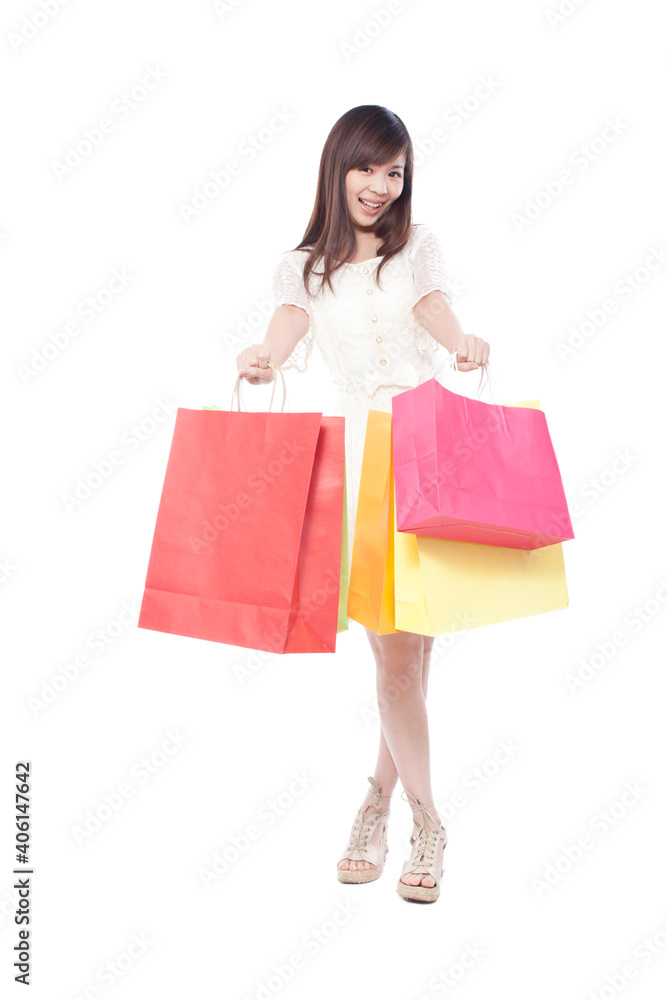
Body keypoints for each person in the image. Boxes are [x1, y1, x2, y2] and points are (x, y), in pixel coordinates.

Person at [236, 105, 490, 903]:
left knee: (410, 658)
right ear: (337, 166)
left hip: (430, 452)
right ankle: (426, 822)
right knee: (391, 658)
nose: (380, 187)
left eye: (395, 172)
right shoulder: (303, 267)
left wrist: (459, 341)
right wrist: (260, 359)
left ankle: (374, 804)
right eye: (367, 168)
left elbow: (432, 308)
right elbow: (283, 330)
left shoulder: (416, 248)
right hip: (361, 467)